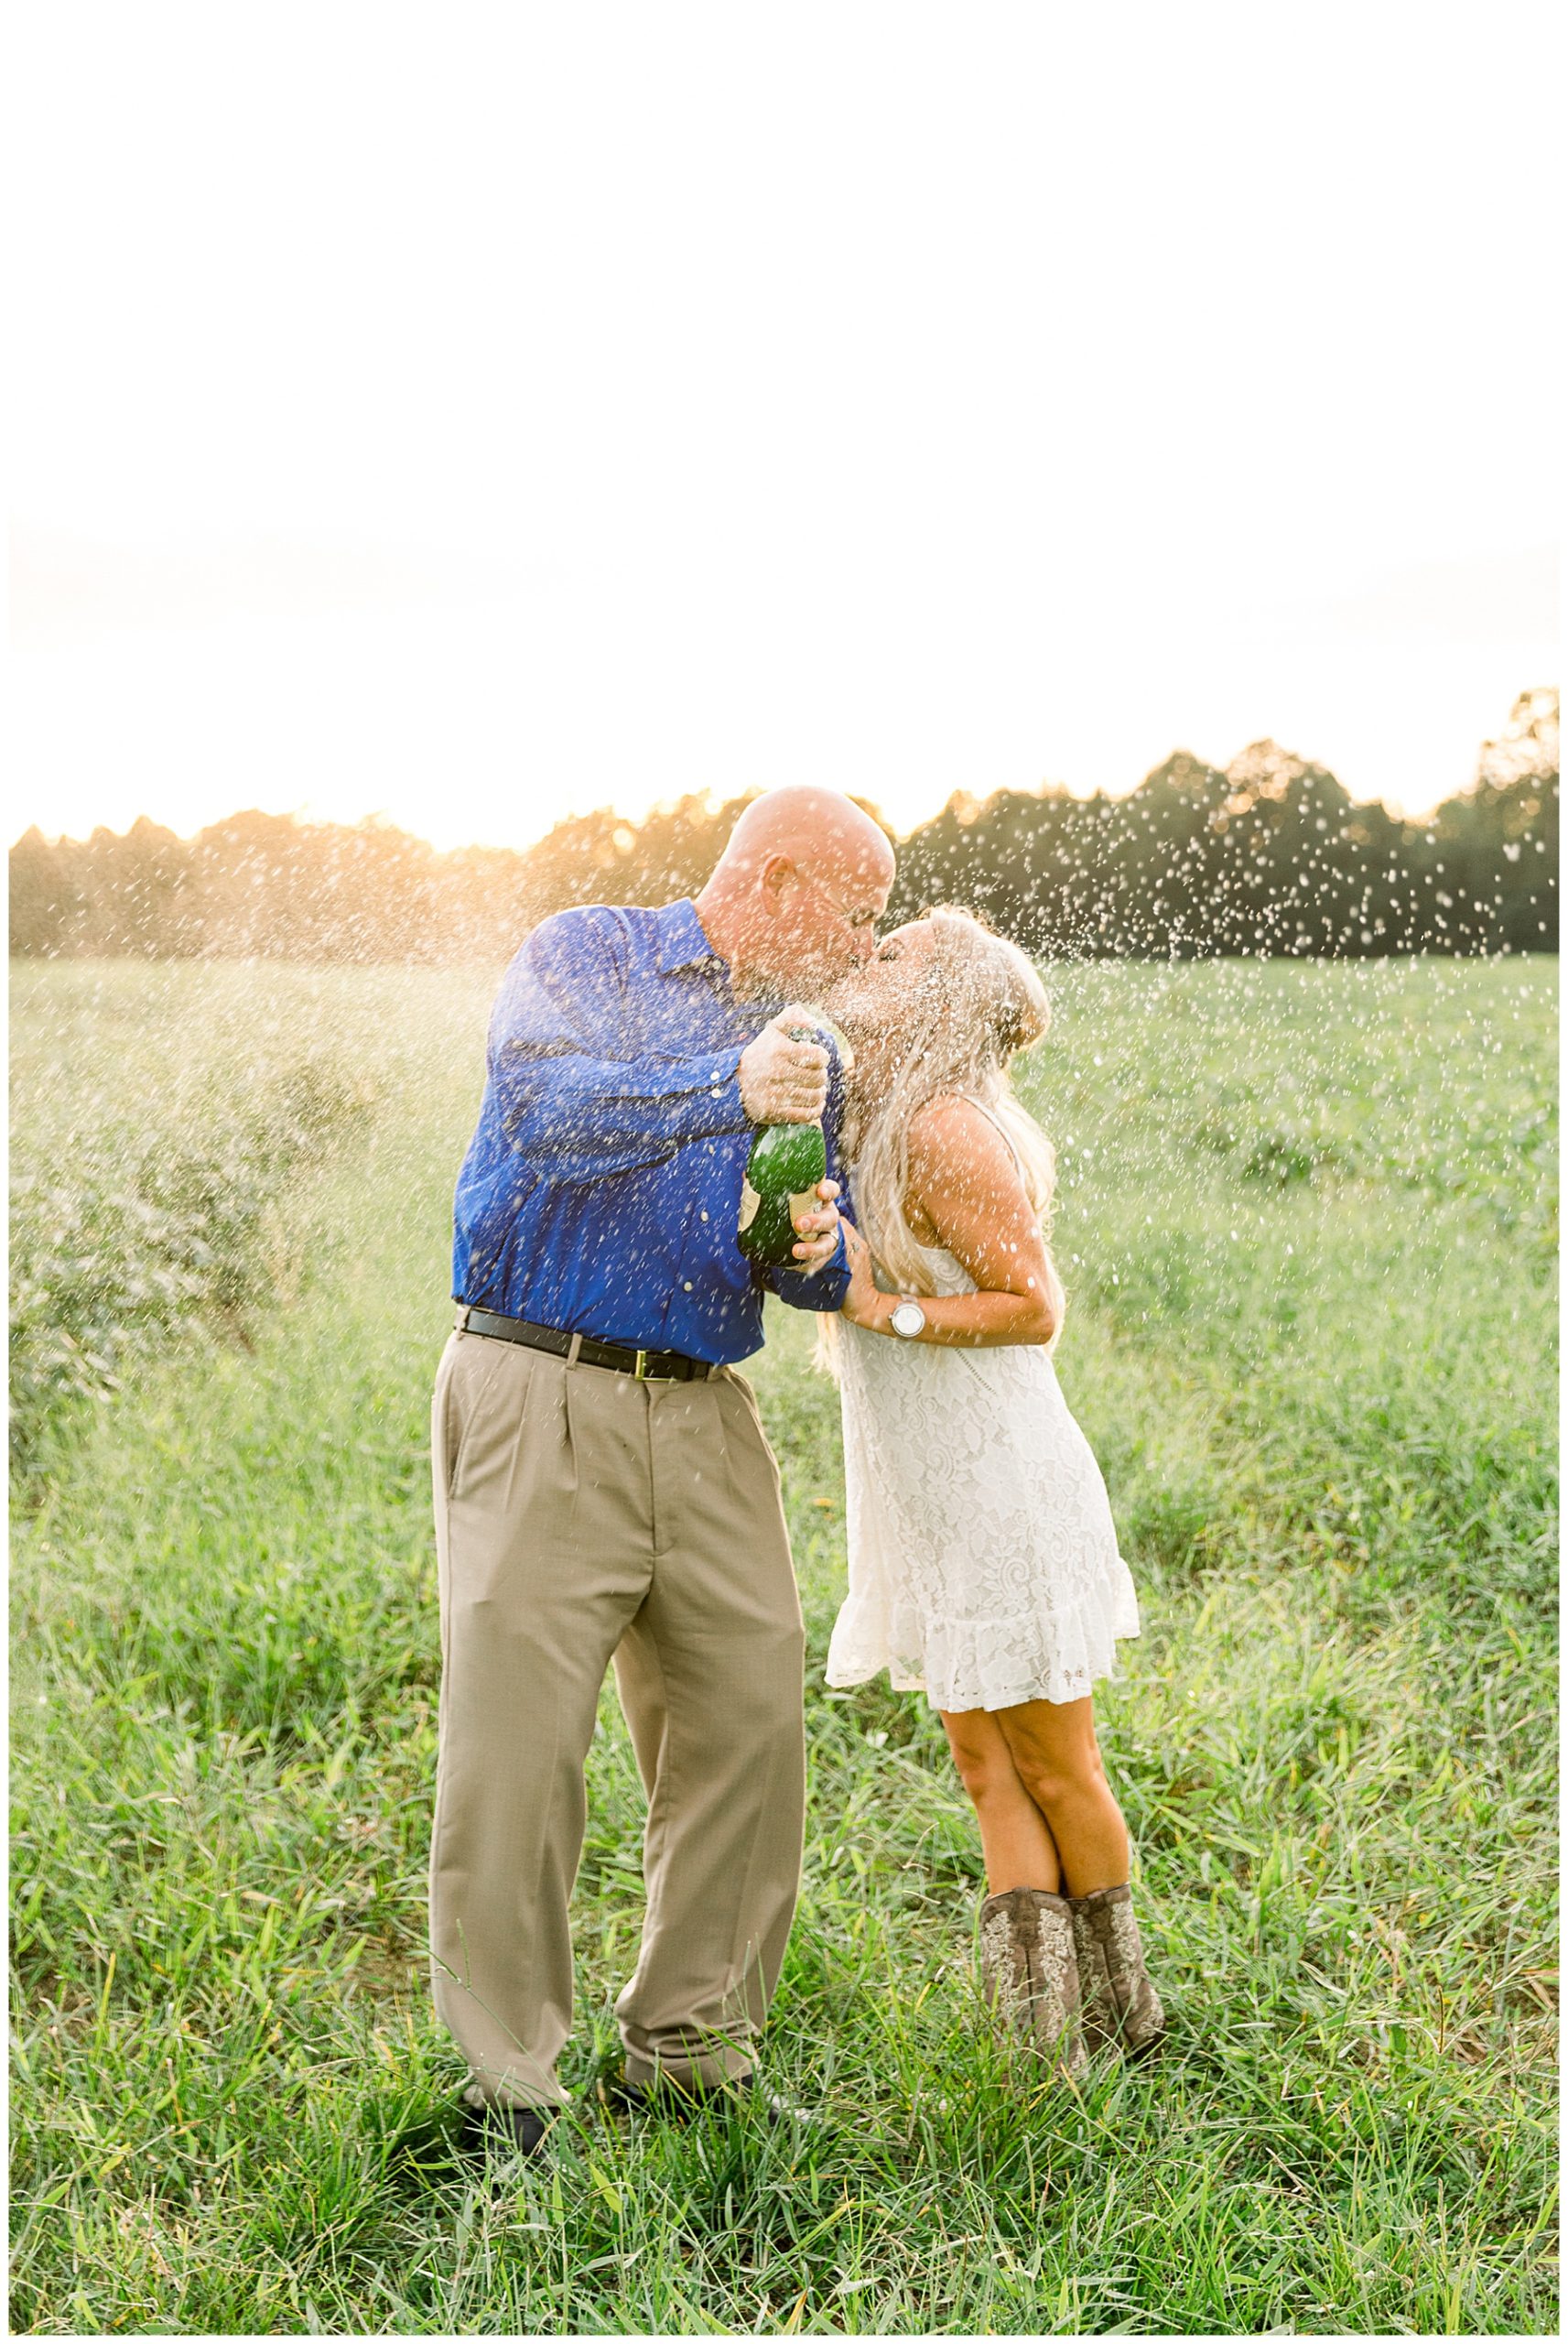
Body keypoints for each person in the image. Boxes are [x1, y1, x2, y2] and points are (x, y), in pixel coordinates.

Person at [429, 787, 896, 2157]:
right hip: (540, 1383)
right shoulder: (591, 951)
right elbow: (543, 1110)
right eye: (856, 912)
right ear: (780, 877)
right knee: (519, 1752)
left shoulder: (816, 1048)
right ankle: (506, 2084)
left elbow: (817, 1248)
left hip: (705, 1408)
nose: (864, 946)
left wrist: (812, 1243)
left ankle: (691, 2051)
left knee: (748, 1718)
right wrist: (721, 1087)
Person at [819, 906, 1165, 2078]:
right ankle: (1043, 2049)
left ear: (942, 1001)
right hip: (930, 1499)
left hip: (1004, 1489)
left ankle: (1127, 2020)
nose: (877, 945)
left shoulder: (944, 1129)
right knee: (983, 1765)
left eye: (904, 948)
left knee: (1059, 1764)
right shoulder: (869, 1117)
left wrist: (883, 1307)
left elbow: (1035, 1308)